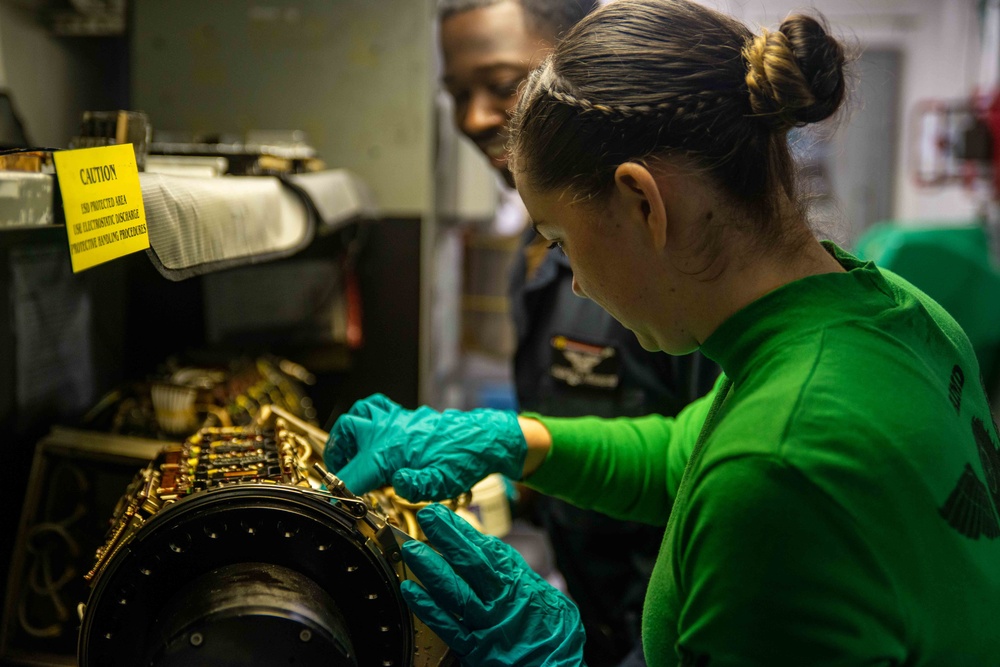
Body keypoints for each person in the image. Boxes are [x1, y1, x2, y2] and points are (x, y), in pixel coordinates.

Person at [326, 0, 1000, 664]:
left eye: (560, 240)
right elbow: (686, 448)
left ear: (642, 201)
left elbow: (753, 464)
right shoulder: (893, 309)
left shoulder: (778, 470)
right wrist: (514, 440)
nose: (577, 284)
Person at [437, 1, 718, 664]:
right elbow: (675, 449)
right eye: (455, 94)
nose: (474, 118)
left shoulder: (689, 276)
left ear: (585, 64)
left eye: (503, 84)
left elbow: (718, 486)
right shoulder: (536, 253)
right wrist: (522, 467)